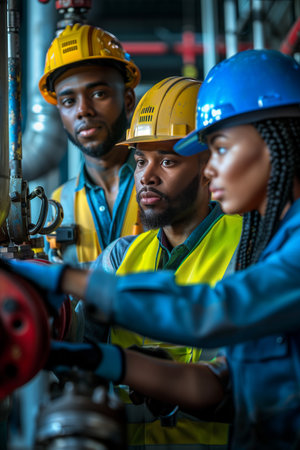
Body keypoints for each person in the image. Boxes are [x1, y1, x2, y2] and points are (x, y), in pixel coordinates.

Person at [9, 49, 300, 449]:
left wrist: (66, 278)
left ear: (273, 142)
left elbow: (213, 311)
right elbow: (218, 385)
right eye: (142, 159)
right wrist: (95, 359)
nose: (211, 168)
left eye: (219, 148)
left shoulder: (275, 249)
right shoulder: (267, 239)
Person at [94, 76, 242, 449]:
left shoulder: (250, 247)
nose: (146, 175)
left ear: (208, 166)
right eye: (141, 159)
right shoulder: (119, 257)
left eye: (169, 161)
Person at [39, 23, 141, 268]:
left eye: (98, 94)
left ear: (128, 101)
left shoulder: (168, 185)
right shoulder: (57, 205)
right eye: (69, 100)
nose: (83, 110)